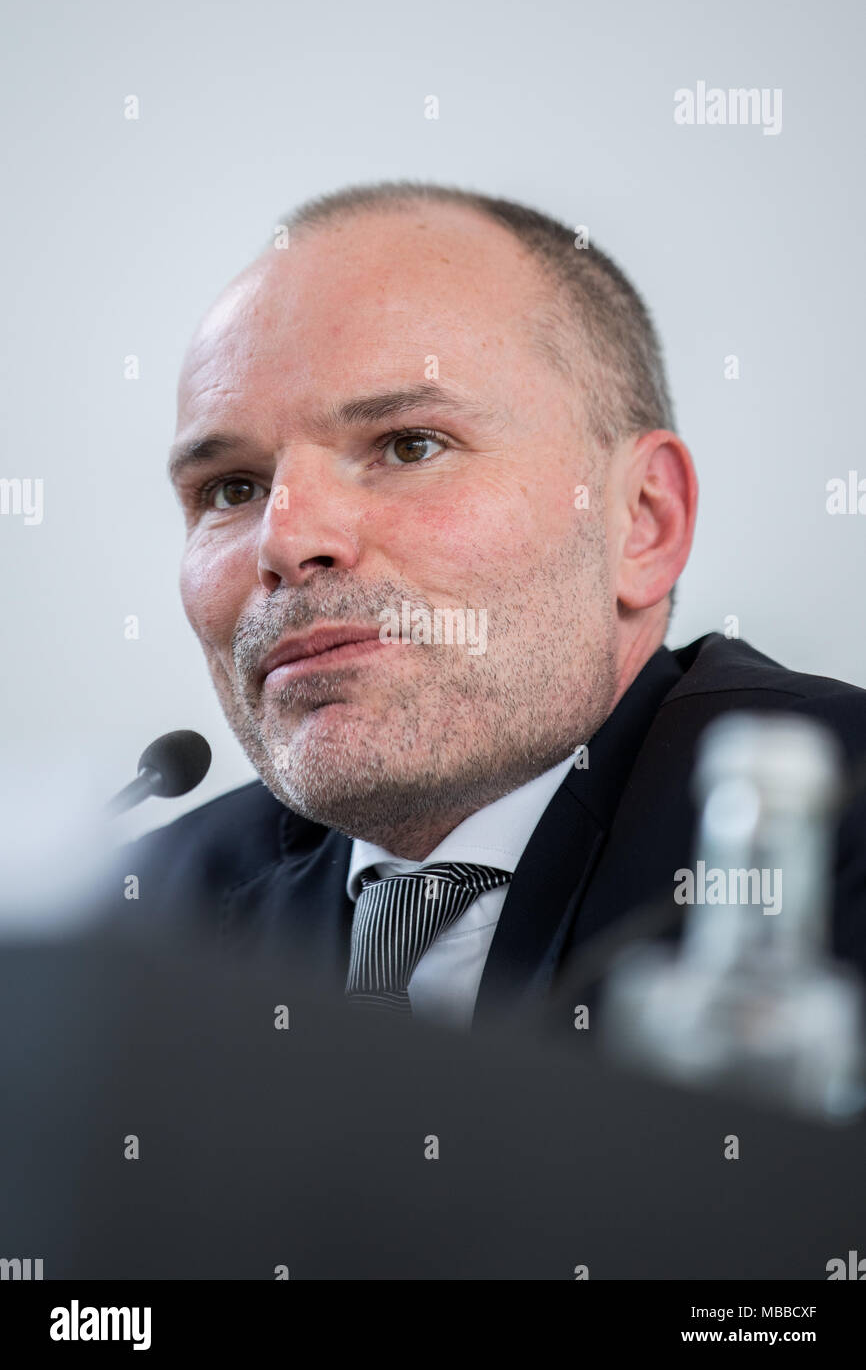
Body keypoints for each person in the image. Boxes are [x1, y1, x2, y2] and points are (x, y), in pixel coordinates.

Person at [130, 181, 866, 1036]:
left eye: (410, 445)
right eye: (232, 488)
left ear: (642, 520)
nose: (286, 542)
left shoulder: (832, 830)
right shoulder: (140, 922)